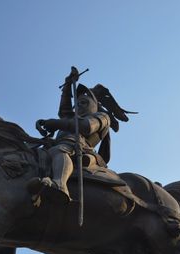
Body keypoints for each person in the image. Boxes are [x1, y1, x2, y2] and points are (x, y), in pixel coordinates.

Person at [34, 67, 120, 202]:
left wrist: (56, 123)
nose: (79, 105)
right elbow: (64, 110)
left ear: (93, 105)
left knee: (59, 150)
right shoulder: (72, 117)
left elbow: (86, 127)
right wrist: (67, 85)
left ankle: (60, 184)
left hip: (79, 148)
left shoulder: (102, 117)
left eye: (84, 103)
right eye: (77, 103)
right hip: (61, 143)